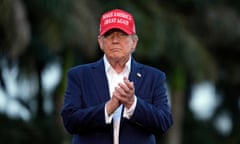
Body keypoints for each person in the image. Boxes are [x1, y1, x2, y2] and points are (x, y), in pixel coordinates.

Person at [61, 9, 173, 144]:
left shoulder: (154, 77)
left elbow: (164, 122)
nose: (115, 40)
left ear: (134, 42)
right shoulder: (79, 75)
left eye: (122, 35)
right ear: (101, 42)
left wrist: (133, 104)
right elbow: (70, 121)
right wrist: (108, 108)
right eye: (109, 35)